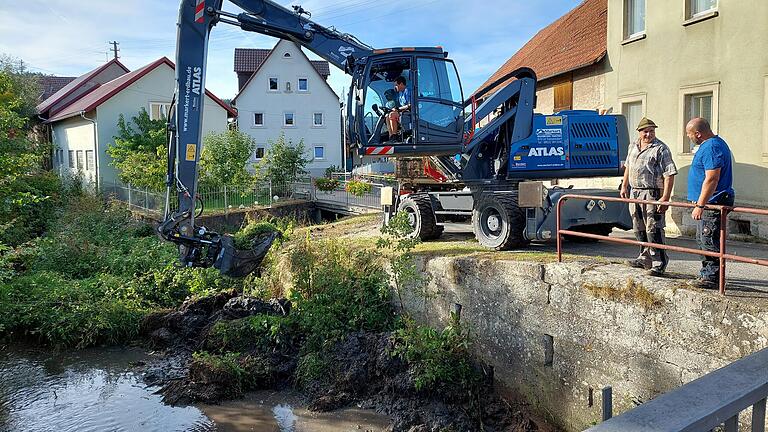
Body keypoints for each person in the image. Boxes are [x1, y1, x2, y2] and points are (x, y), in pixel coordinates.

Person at [620, 117, 678, 276]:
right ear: (639, 132)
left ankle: (659, 262)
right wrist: (624, 186)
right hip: (635, 192)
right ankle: (644, 258)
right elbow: (628, 166)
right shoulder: (632, 146)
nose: (649, 134)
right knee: (638, 227)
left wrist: (665, 198)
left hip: (652, 193)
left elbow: (669, 174)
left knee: (654, 228)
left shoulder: (660, 148)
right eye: (645, 131)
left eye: (652, 131)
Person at [685, 117, 735, 288]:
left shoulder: (712, 146)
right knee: (703, 238)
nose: (688, 137)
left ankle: (712, 278)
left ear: (698, 134)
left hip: (712, 202)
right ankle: (707, 274)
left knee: (708, 239)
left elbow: (712, 178)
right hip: (709, 201)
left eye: (689, 134)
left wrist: (700, 205)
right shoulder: (711, 145)